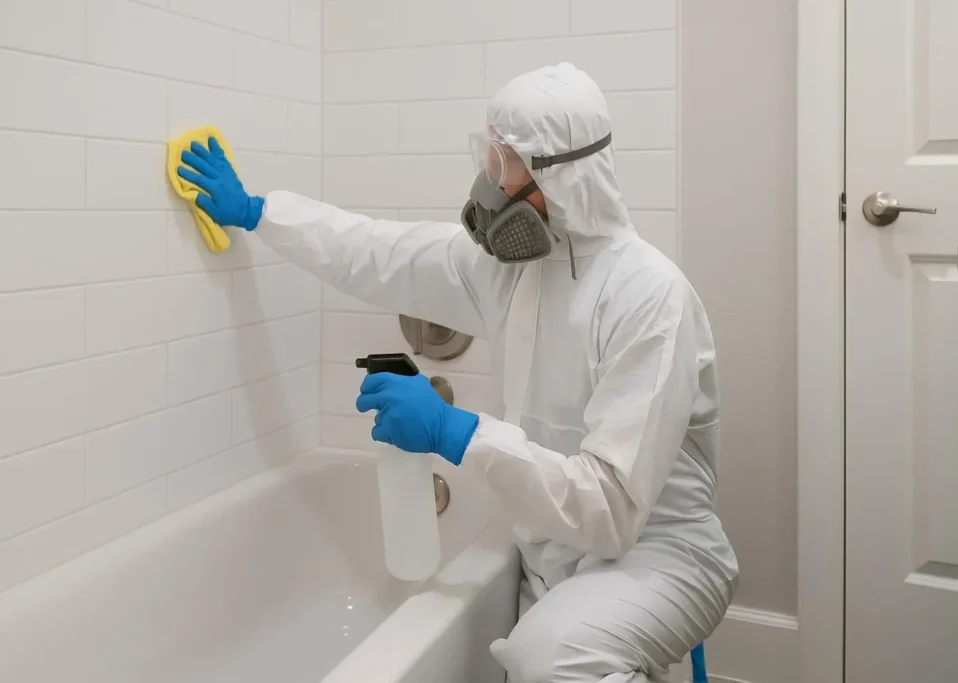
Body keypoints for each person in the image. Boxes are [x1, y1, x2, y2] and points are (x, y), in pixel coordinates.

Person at [178, 62, 738, 683]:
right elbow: (378, 251)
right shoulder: (508, 271)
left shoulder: (649, 296)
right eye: (488, 156)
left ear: (562, 175)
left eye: (504, 163)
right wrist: (260, 211)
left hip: (654, 554)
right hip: (552, 548)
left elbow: (609, 508)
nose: (488, 182)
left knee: (544, 658)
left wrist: (455, 430)